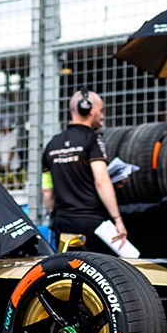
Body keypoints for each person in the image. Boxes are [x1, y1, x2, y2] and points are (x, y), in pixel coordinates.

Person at [42, 89, 127, 254]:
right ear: (89, 110)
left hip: (62, 224)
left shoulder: (52, 144)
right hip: (91, 223)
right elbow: (101, 180)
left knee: (67, 266)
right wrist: (117, 219)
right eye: (101, 110)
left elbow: (46, 189)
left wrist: (53, 213)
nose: (102, 117)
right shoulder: (93, 140)